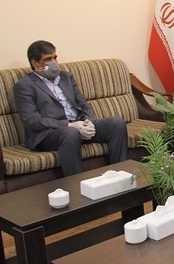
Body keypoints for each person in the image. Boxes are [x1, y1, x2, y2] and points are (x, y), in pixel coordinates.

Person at [13, 40, 128, 176]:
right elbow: (32, 120)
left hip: (79, 125)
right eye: (48, 59)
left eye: (55, 57)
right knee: (71, 133)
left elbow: (83, 103)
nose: (54, 62)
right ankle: (77, 183)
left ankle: (120, 176)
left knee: (116, 123)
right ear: (35, 63)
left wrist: (88, 122)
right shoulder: (24, 85)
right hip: (50, 133)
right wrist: (70, 125)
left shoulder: (66, 77)